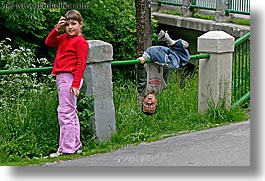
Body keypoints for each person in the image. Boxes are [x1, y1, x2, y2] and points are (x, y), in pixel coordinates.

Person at [45, 10, 89, 158]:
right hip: (63, 77)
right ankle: (75, 146)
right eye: (68, 24)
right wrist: (57, 28)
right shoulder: (64, 37)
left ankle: (66, 148)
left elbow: (81, 64)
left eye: (74, 24)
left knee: (65, 113)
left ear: (81, 24)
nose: (70, 27)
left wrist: (76, 84)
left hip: (69, 78)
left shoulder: (80, 42)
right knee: (71, 112)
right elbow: (49, 42)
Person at [136, 30, 190, 115]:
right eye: (152, 104)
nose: (149, 102)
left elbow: (141, 75)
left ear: (143, 101)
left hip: (151, 54)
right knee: (185, 59)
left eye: (146, 104)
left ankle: (175, 44)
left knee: (173, 64)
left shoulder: (142, 90)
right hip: (162, 56)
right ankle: (172, 42)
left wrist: (140, 64)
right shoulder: (162, 87)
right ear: (156, 102)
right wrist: (165, 64)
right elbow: (166, 70)